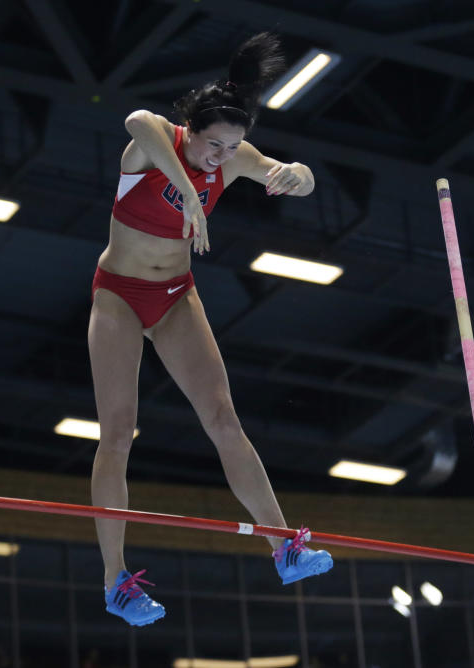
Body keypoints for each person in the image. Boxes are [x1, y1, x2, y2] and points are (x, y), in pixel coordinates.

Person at [88, 31, 333, 627]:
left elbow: (288, 171)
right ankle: (115, 581)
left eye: (234, 147)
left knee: (224, 419)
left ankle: (284, 548)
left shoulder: (233, 160)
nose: (222, 157)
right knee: (119, 431)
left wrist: (297, 174)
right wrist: (191, 199)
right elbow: (135, 118)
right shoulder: (154, 142)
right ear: (191, 131)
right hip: (119, 294)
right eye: (214, 145)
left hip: (175, 297)